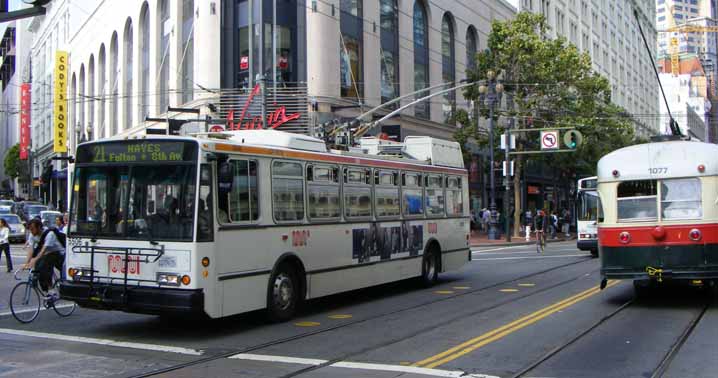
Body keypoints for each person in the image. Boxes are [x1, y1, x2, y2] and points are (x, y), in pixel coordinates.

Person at [22, 218, 65, 294]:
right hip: (46, 253)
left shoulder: (50, 234)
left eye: (32, 229)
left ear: (39, 227)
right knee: (38, 270)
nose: (31, 232)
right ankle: (47, 290)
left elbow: (43, 250)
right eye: (30, 230)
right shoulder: (32, 235)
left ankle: (51, 289)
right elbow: (31, 250)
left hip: (58, 252)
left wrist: (34, 260)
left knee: (44, 267)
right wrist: (27, 262)